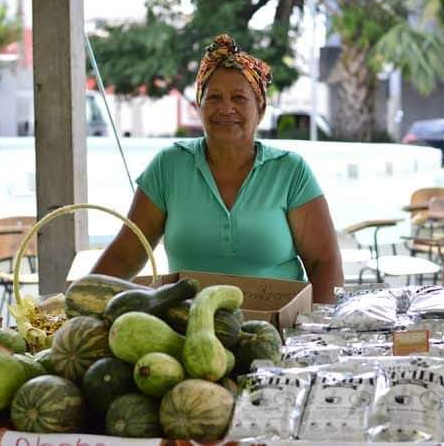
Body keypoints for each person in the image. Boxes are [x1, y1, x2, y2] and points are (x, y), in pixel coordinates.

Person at [91, 34, 343, 303]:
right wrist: (78, 305)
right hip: (187, 330)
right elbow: (126, 255)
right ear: (199, 106)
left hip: (279, 329)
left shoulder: (289, 171)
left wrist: (317, 331)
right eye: (213, 98)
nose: (226, 108)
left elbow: (324, 263)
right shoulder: (169, 166)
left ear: (259, 108)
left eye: (238, 98)